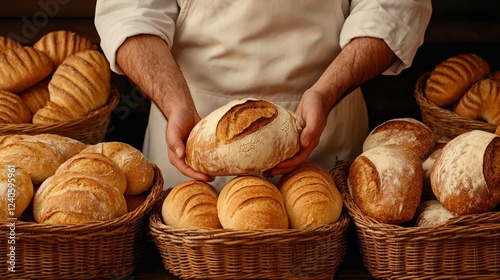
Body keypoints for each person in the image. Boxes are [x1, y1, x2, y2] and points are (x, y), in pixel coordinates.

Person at [94, 0, 432, 189]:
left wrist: (325, 93)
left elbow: (393, 9)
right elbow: (129, 12)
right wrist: (175, 103)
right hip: (192, 136)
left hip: (325, 141)